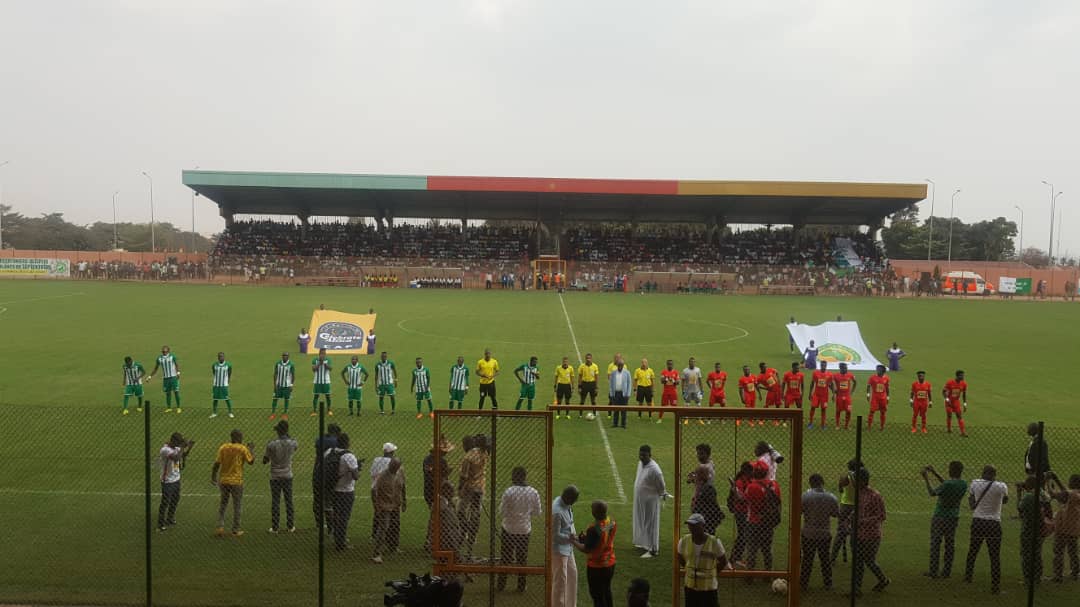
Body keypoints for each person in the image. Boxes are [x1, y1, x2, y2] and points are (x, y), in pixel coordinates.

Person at [963, 464, 1009, 594]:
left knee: (973, 550)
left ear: (983, 473)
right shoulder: (1001, 486)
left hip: (978, 521)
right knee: (994, 555)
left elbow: (971, 498)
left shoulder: (975, 483)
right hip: (993, 523)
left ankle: (968, 576)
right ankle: (995, 585)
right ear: (994, 474)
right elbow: (1005, 500)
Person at [498, 467, 543, 592]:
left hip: (508, 529)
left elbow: (502, 511)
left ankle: (501, 584)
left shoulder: (509, 491)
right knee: (522, 558)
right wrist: (526, 513)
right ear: (524, 476)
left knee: (505, 558)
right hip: (524, 530)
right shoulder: (533, 492)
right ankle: (521, 586)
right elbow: (537, 512)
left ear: (515, 477)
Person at [921, 461, 967, 578]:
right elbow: (946, 484)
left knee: (935, 544)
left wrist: (926, 478)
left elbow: (932, 493)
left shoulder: (947, 485)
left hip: (940, 516)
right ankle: (946, 571)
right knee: (949, 544)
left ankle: (933, 571)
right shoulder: (963, 484)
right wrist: (934, 472)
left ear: (951, 470)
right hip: (953, 517)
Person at [211, 429, 255, 536]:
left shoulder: (223, 447)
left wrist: (213, 477)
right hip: (236, 481)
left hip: (224, 480)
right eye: (241, 437)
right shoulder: (242, 448)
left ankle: (220, 527)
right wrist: (251, 449)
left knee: (223, 504)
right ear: (237, 437)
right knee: (237, 505)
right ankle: (235, 530)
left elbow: (217, 464)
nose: (242, 438)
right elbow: (251, 461)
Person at [677, 512, 727, 607]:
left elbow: (723, 561)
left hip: (709, 589)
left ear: (703, 525)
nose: (691, 528)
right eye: (690, 525)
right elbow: (680, 557)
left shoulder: (714, 542)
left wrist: (711, 573)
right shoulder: (683, 541)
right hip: (690, 588)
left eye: (695, 525)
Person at [853, 468, 890, 594]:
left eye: (856, 480)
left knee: (869, 561)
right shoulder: (859, 493)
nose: (854, 482)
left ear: (862, 481)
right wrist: (849, 519)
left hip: (871, 535)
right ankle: (857, 589)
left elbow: (882, 516)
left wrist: (862, 521)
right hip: (859, 533)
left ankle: (883, 580)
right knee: (858, 562)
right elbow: (858, 511)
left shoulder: (875, 496)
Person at [800, 473, 839, 590]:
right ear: (822, 483)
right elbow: (835, 514)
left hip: (808, 533)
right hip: (824, 534)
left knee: (807, 559)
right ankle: (828, 583)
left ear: (810, 483)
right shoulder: (831, 497)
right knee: (825, 559)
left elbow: (800, 511)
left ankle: (803, 583)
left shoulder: (805, 496)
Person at [743, 460, 781, 575]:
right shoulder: (774, 485)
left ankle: (749, 575)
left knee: (752, 550)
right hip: (768, 522)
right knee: (767, 550)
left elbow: (745, 500)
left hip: (754, 522)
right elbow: (778, 502)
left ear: (755, 472)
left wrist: (735, 491)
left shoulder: (751, 487)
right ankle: (768, 573)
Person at [633, 445, 669, 558]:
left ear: (650, 455)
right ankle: (644, 543)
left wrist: (662, 494)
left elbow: (661, 486)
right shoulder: (640, 464)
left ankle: (654, 549)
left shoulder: (655, 470)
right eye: (640, 455)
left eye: (644, 455)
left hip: (650, 502)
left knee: (651, 524)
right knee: (641, 521)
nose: (641, 457)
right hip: (640, 500)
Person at [579, 500, 616, 607]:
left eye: (592, 509)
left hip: (596, 566)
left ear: (594, 513)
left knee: (597, 596)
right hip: (610, 562)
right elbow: (602, 533)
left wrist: (573, 541)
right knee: (606, 591)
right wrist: (587, 538)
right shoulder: (611, 522)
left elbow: (587, 549)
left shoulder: (593, 529)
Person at [264, 420, 298, 533]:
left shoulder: (272, 444)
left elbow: (265, 460)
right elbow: (295, 445)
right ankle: (290, 526)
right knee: (289, 501)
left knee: (275, 501)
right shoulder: (292, 443)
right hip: (287, 475)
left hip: (275, 476)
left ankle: (275, 527)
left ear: (278, 431)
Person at [458, 434, 490, 558]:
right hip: (480, 488)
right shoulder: (483, 452)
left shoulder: (467, 458)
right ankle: (473, 536)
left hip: (469, 489)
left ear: (465, 445)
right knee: (476, 513)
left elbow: (463, 476)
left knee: (461, 511)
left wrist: (460, 488)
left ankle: (465, 530)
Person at [328, 433, 360, 551]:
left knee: (337, 515)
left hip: (334, 489)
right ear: (347, 443)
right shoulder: (349, 456)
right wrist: (357, 469)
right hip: (346, 491)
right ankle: (341, 543)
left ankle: (337, 538)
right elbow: (356, 476)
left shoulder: (330, 452)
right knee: (344, 517)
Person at [552, 485, 582, 607]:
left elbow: (569, 524)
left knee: (572, 575)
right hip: (559, 551)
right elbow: (554, 536)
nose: (575, 502)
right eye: (574, 500)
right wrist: (570, 538)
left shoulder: (564, 502)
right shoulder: (557, 512)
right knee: (560, 582)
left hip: (568, 547)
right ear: (569, 498)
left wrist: (573, 537)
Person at [372, 458, 406, 563]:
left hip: (396, 503)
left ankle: (393, 547)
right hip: (385, 505)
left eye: (396, 467)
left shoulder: (400, 472)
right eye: (392, 466)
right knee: (384, 527)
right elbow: (373, 491)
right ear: (390, 465)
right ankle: (377, 553)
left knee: (395, 526)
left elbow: (403, 486)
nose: (394, 469)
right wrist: (376, 506)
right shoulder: (382, 476)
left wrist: (404, 500)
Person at [423, 435, 454, 552]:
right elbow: (438, 477)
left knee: (435, 516)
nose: (446, 453)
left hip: (429, 492)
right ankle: (431, 541)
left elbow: (430, 474)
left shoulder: (428, 459)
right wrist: (446, 473)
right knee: (436, 518)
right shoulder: (441, 461)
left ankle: (431, 541)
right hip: (436, 492)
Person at [157, 432, 194, 531]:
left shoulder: (176, 448)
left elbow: (183, 455)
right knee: (165, 502)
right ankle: (160, 523)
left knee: (175, 500)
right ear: (173, 441)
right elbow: (176, 458)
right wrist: (182, 447)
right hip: (167, 480)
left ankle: (170, 518)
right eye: (178, 442)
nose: (179, 444)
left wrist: (189, 447)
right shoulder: (165, 450)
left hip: (176, 479)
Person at [1049, 472, 1080, 582]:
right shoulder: (1075, 494)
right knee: (1073, 552)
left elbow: (1054, 495)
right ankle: (1075, 573)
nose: (1069, 482)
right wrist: (1054, 482)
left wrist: (1051, 481)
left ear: (1074, 483)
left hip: (1062, 528)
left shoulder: (1071, 494)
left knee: (1058, 551)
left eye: (1070, 480)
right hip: (1074, 527)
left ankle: (1058, 576)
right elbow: (1063, 494)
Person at [1017, 475, 1047, 586]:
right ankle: (1037, 577)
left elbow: (1019, 509)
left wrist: (1019, 493)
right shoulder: (1042, 494)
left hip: (1028, 529)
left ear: (1029, 484)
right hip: (1039, 529)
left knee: (1026, 555)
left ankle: (1028, 578)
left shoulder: (1028, 496)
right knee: (1037, 553)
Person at [830, 460, 859, 565]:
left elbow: (841, 490)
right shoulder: (860, 477)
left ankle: (832, 558)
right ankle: (856, 559)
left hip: (845, 505)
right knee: (855, 533)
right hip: (857, 506)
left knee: (841, 532)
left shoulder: (844, 476)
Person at [312, 423, 341, 526]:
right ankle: (330, 523)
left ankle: (319, 522)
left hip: (317, 470)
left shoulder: (319, 439)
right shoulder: (336, 441)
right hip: (330, 473)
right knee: (330, 499)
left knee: (317, 498)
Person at [689, 462, 723, 536]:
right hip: (702, 519)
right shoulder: (701, 486)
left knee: (706, 538)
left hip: (706, 520)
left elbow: (711, 506)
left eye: (696, 474)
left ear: (701, 476)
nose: (695, 475)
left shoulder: (708, 488)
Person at [148, 345, 182, 413]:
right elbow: (156, 368)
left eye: (165, 351)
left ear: (168, 351)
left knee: (176, 392)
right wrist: (150, 376)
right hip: (166, 379)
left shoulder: (172, 357)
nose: (164, 352)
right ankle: (169, 408)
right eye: (163, 351)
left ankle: (178, 407)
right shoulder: (159, 358)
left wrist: (178, 372)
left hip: (173, 377)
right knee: (167, 393)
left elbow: (176, 365)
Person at [942, 370, 968, 437]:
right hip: (949, 401)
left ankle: (963, 432)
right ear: (957, 376)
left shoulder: (964, 384)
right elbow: (943, 391)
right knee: (949, 415)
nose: (963, 377)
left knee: (959, 416)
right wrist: (947, 399)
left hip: (956, 402)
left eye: (963, 375)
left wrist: (965, 404)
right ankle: (949, 429)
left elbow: (964, 394)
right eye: (961, 376)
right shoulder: (950, 382)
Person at [209, 352, 234, 419]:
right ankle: (214, 413)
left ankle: (230, 412)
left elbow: (229, 373)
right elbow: (214, 373)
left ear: (224, 357)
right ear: (218, 358)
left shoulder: (228, 365)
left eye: (222, 356)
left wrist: (228, 380)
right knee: (215, 399)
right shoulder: (214, 365)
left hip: (224, 385)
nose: (221, 358)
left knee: (227, 398)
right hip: (216, 385)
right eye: (220, 357)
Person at [270, 352, 295, 420]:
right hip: (278, 385)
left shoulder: (291, 365)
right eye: (283, 355)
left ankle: (285, 414)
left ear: (288, 357)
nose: (284, 357)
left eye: (286, 356)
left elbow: (293, 375)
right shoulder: (278, 364)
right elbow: (275, 374)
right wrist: (274, 384)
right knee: (275, 398)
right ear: (282, 356)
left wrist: (291, 385)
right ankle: (273, 413)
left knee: (286, 399)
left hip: (287, 386)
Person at [865, 364, 890, 430]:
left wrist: (888, 397)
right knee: (872, 411)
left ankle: (882, 426)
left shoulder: (886, 378)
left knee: (883, 412)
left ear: (883, 371)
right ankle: (869, 426)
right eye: (877, 369)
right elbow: (868, 386)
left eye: (879, 369)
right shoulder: (872, 377)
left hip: (883, 398)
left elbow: (887, 388)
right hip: (875, 398)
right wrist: (868, 394)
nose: (877, 371)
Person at [832, 362, 856, 430]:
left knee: (849, 411)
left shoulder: (850, 375)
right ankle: (837, 425)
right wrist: (834, 392)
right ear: (841, 368)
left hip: (847, 396)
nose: (846, 369)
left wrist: (852, 391)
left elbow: (855, 382)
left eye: (846, 368)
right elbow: (830, 383)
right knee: (838, 411)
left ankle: (847, 425)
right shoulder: (835, 376)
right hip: (839, 396)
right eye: (845, 368)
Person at [808, 360, 831, 429]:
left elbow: (830, 384)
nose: (823, 366)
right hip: (816, 394)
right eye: (822, 365)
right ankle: (810, 423)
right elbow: (812, 383)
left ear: (826, 366)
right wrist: (810, 393)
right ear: (820, 365)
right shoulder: (815, 373)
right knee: (812, 407)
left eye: (824, 365)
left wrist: (833, 392)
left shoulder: (829, 374)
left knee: (823, 409)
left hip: (824, 395)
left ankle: (823, 424)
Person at [311, 348, 333, 417]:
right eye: (322, 353)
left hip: (326, 381)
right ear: (319, 354)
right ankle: (314, 411)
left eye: (324, 353)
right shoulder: (315, 360)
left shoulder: (328, 360)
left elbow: (330, 368)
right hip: (317, 381)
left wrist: (324, 364)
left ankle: (329, 410)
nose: (323, 355)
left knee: (328, 396)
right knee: (316, 396)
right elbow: (313, 369)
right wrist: (319, 364)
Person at [610, 360, 632, 428]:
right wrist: (611, 394)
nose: (620, 367)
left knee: (624, 410)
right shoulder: (613, 373)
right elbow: (611, 384)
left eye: (621, 365)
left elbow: (629, 384)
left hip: (624, 394)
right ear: (617, 365)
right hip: (616, 393)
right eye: (619, 365)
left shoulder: (627, 373)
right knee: (615, 409)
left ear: (623, 365)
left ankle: (623, 424)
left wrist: (628, 394)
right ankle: (615, 423)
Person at [657, 359, 680, 424]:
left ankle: (677, 419)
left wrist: (673, 381)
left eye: (671, 364)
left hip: (673, 392)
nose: (670, 365)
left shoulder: (676, 372)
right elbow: (662, 381)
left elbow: (678, 382)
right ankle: (660, 418)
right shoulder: (664, 372)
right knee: (663, 405)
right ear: (667, 365)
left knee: (675, 406)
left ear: (673, 365)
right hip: (666, 392)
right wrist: (667, 379)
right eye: (669, 364)